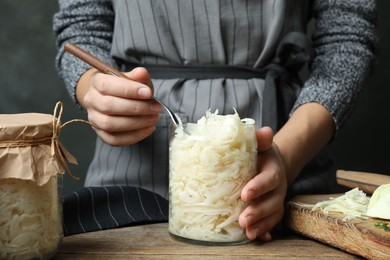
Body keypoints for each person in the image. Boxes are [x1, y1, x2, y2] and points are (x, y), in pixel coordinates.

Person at [53, 0, 377, 240]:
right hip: (128, 175)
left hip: (290, 162)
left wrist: (285, 157)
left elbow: (346, 39)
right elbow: (82, 28)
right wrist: (93, 88)